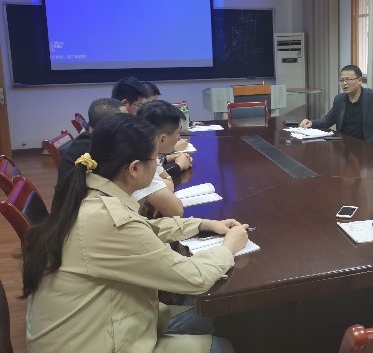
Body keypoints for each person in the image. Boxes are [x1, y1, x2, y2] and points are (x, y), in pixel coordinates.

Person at [22, 113, 248, 353]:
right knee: (221, 345)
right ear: (134, 168)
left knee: (205, 315)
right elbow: (194, 278)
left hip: (97, 325)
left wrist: (202, 224)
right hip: (93, 341)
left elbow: (143, 229)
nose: (159, 165)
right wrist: (229, 247)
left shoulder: (89, 191)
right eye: (156, 159)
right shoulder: (108, 220)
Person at [299, 65, 373, 150]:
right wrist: (312, 123)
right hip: (344, 146)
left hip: (369, 148)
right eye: (342, 80)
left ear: (359, 80)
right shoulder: (339, 99)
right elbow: (329, 119)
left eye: (348, 80)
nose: (344, 83)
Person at [134, 100, 193, 217]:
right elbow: (176, 211)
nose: (178, 138)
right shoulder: (142, 163)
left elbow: (167, 179)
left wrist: (165, 185)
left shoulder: (144, 151)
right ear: (162, 139)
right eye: (178, 133)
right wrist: (165, 185)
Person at [56, 98, 125, 191]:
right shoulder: (91, 148)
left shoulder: (91, 137)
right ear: (108, 124)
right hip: (78, 199)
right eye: (124, 121)